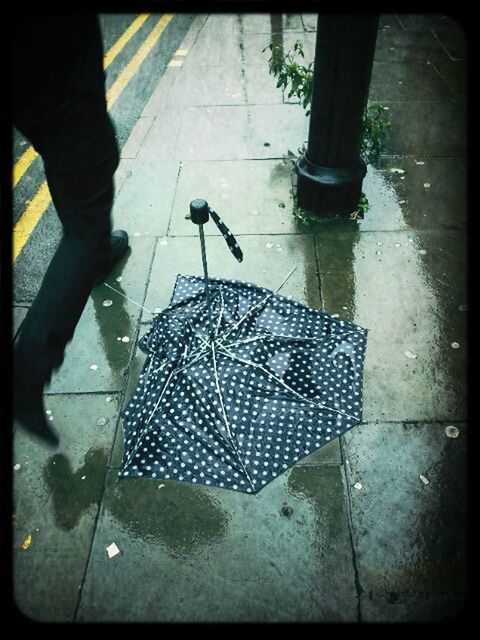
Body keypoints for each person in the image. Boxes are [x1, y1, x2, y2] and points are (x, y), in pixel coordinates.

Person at [13, 16, 129, 447]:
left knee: (79, 160)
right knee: (86, 221)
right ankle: (27, 368)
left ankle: (95, 253)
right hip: (56, 70)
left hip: (34, 83)